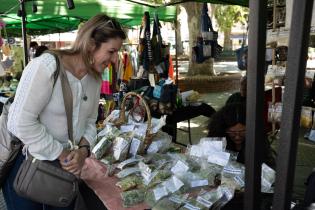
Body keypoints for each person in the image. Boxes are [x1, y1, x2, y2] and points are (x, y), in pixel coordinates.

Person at [4, 13, 126, 210]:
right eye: (111, 51)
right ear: (91, 44)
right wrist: (62, 154)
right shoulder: (46, 66)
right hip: (30, 169)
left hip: (64, 173)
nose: (114, 59)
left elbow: (90, 120)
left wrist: (83, 151)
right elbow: (19, 123)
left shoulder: (94, 79)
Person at [207, 103, 275, 167]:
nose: (237, 137)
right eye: (232, 132)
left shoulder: (259, 138)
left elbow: (267, 163)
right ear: (223, 129)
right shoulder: (216, 138)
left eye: (243, 132)